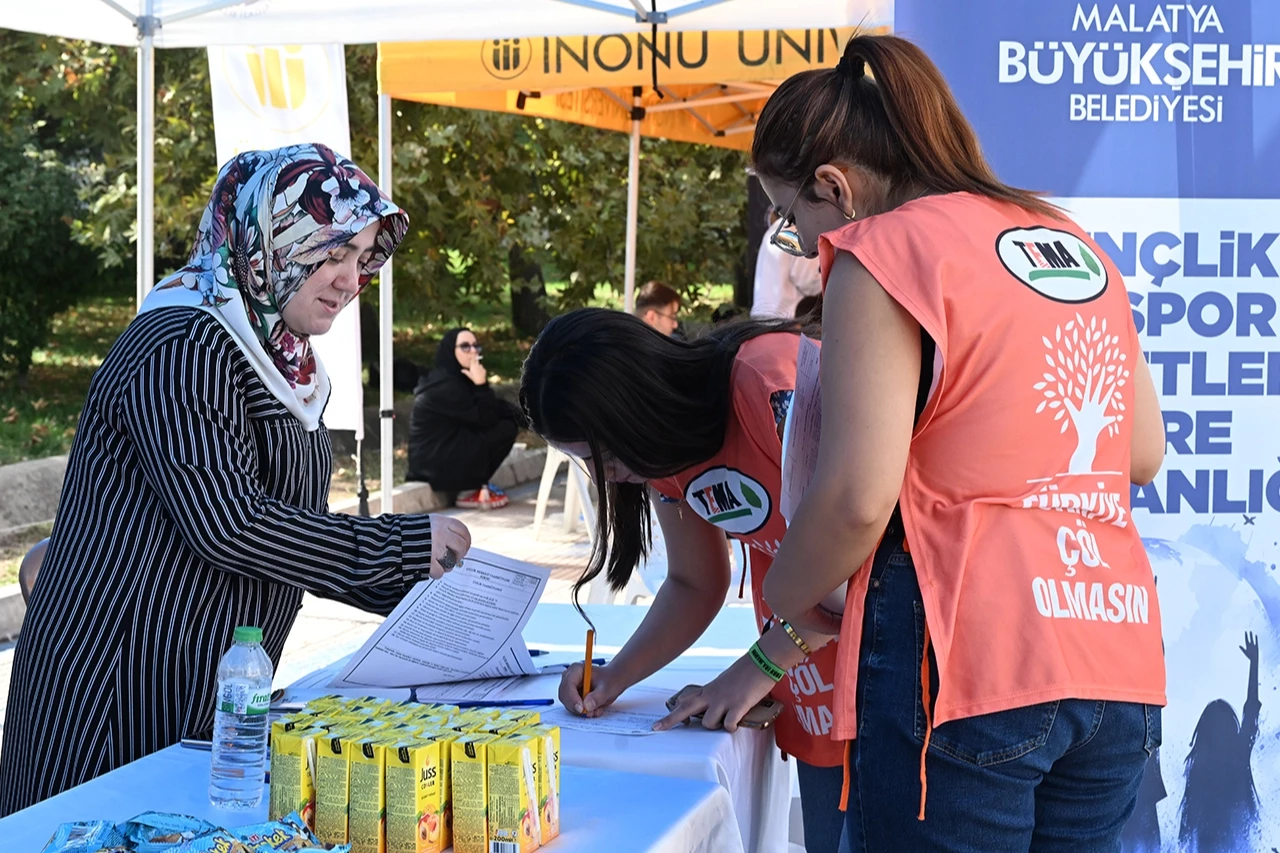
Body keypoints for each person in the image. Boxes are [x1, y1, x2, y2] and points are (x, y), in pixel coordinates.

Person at [749, 34, 1167, 850]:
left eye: (793, 222)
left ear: (834, 184)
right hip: (1113, 651)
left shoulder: (882, 251)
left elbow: (856, 498)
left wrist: (784, 597)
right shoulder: (1066, 239)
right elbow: (1141, 453)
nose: (801, 246)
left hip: (966, 655)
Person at [0, 144, 472, 815]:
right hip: (114, 694)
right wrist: (400, 548)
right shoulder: (182, 345)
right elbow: (229, 523)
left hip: (203, 687)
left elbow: (290, 536)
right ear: (270, 240)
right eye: (333, 253)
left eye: (364, 257)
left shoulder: (281, 359)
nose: (351, 279)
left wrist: (434, 602)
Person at [520, 308, 851, 853]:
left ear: (636, 406)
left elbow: (860, 551)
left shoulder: (767, 386)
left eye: (603, 454)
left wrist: (759, 666)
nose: (603, 476)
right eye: (584, 461)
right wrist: (615, 677)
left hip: (899, 677)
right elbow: (695, 582)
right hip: (821, 693)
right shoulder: (662, 455)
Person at [407, 327, 523, 510]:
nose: (473, 351)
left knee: (505, 423)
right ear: (450, 351)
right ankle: (468, 490)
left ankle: (472, 485)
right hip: (433, 465)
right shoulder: (445, 386)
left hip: (442, 453)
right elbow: (487, 417)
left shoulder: (458, 378)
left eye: (476, 346)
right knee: (505, 430)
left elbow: (496, 407)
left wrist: (533, 421)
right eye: (465, 347)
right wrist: (481, 384)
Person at [1178, 632, 1262, 853]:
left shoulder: (1201, 764)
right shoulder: (1237, 755)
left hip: (1210, 840)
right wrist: (1254, 664)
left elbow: (1187, 817)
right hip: (1231, 840)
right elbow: (1251, 713)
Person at [753, 207, 823, 319]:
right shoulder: (801, 231)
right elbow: (807, 282)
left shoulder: (775, 228)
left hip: (762, 313)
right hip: (784, 317)